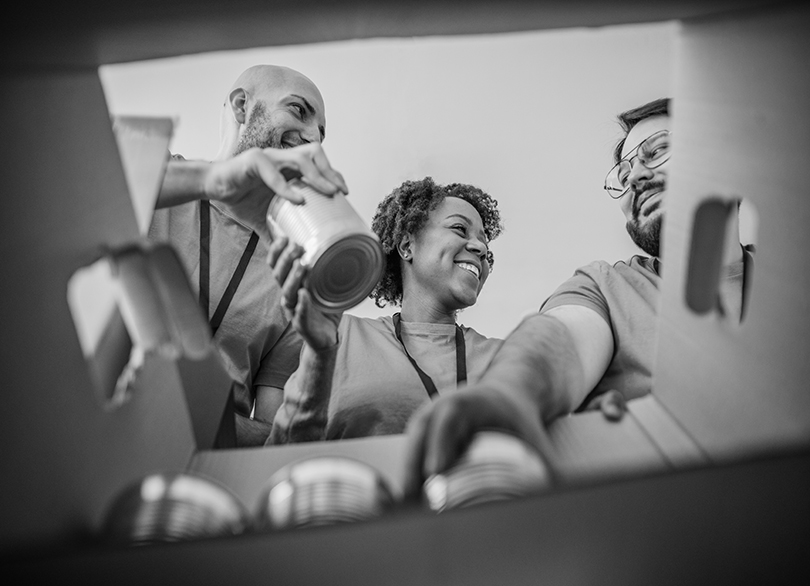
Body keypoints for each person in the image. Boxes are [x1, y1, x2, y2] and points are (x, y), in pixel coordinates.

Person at [402, 97, 754, 497]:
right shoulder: (606, 287)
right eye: (622, 172)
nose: (635, 176)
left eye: (657, 151)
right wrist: (510, 393)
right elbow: (560, 339)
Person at [148, 64, 348, 446]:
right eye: (298, 110)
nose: (312, 139)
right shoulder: (157, 178)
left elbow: (278, 441)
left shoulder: (292, 271)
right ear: (242, 106)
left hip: (209, 475)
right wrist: (212, 180)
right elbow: (67, 192)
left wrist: (323, 354)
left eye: (321, 133)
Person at [264, 176, 504, 443]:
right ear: (406, 246)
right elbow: (284, 451)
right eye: (459, 228)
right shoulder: (340, 336)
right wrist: (320, 356)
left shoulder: (505, 356)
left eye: (485, 243)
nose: (480, 248)